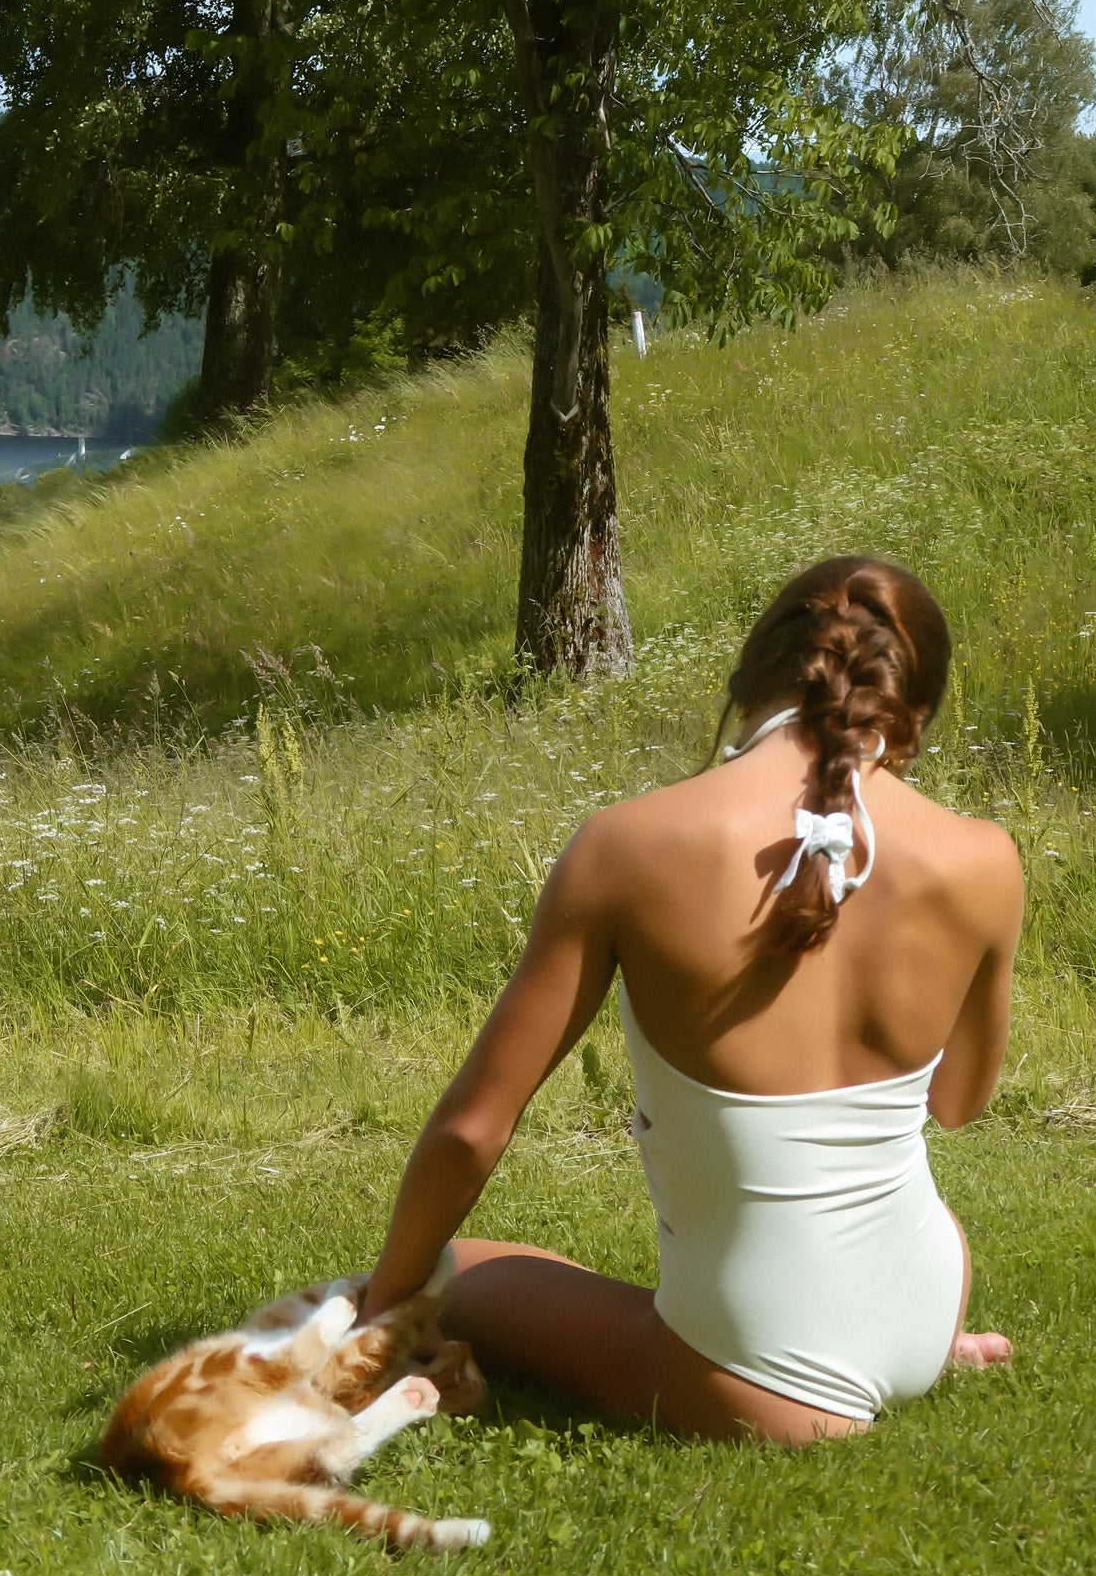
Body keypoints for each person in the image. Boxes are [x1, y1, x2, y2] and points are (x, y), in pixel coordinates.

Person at [359, 557, 1022, 1445]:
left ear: (747, 679)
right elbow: (955, 1104)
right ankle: (926, 1354)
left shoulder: (626, 845)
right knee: (541, 1275)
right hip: (926, 1297)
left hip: (759, 1376)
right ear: (916, 711)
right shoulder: (983, 857)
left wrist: (382, 1303)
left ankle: (372, 1305)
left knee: (457, 1272)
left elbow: (473, 1128)